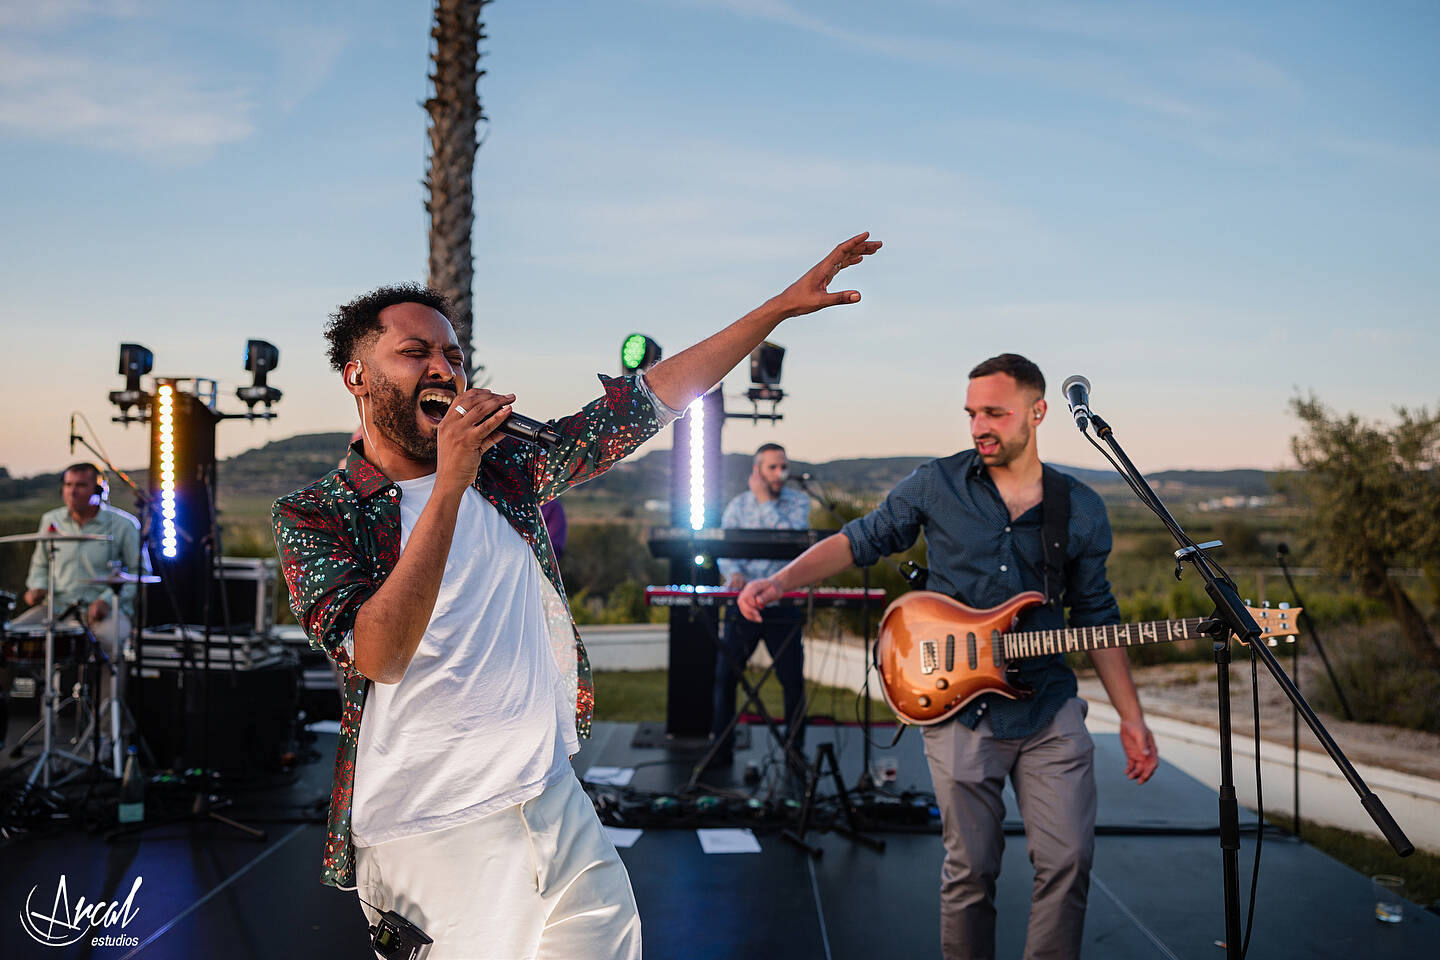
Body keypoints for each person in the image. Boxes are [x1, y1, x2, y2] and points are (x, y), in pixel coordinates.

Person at [272, 232, 881, 960]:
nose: (443, 367)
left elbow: (644, 404)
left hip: (549, 796)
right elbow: (380, 654)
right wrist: (448, 484)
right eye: (415, 352)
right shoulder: (316, 514)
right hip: (431, 829)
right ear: (357, 376)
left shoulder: (506, 468)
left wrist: (776, 309)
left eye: (454, 355)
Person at [739, 353, 1158, 960]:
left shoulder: (1080, 507)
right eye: (972, 413)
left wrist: (1132, 716)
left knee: (1068, 861)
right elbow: (860, 539)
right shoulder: (937, 484)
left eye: (995, 413)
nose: (979, 426)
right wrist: (779, 582)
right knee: (971, 872)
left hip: (1048, 707)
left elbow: (1097, 617)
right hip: (960, 709)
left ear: (1038, 413)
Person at [710, 443, 811, 764]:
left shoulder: (799, 503)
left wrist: (765, 501)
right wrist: (734, 573)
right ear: (757, 471)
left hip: (783, 604)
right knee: (726, 676)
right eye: (772, 467)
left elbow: (792, 541)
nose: (780, 473)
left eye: (784, 467)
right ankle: (720, 748)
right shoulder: (738, 506)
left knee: (792, 680)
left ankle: (794, 749)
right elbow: (724, 551)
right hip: (743, 605)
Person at [18, 462, 142, 653]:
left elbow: (139, 572)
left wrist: (107, 600)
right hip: (56, 610)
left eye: (81, 485)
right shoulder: (51, 520)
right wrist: (38, 587)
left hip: (106, 613)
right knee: (12, 636)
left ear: (99, 490)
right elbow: (40, 565)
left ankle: (108, 672)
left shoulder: (124, 525)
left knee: (108, 640)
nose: (72, 492)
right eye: (68, 485)